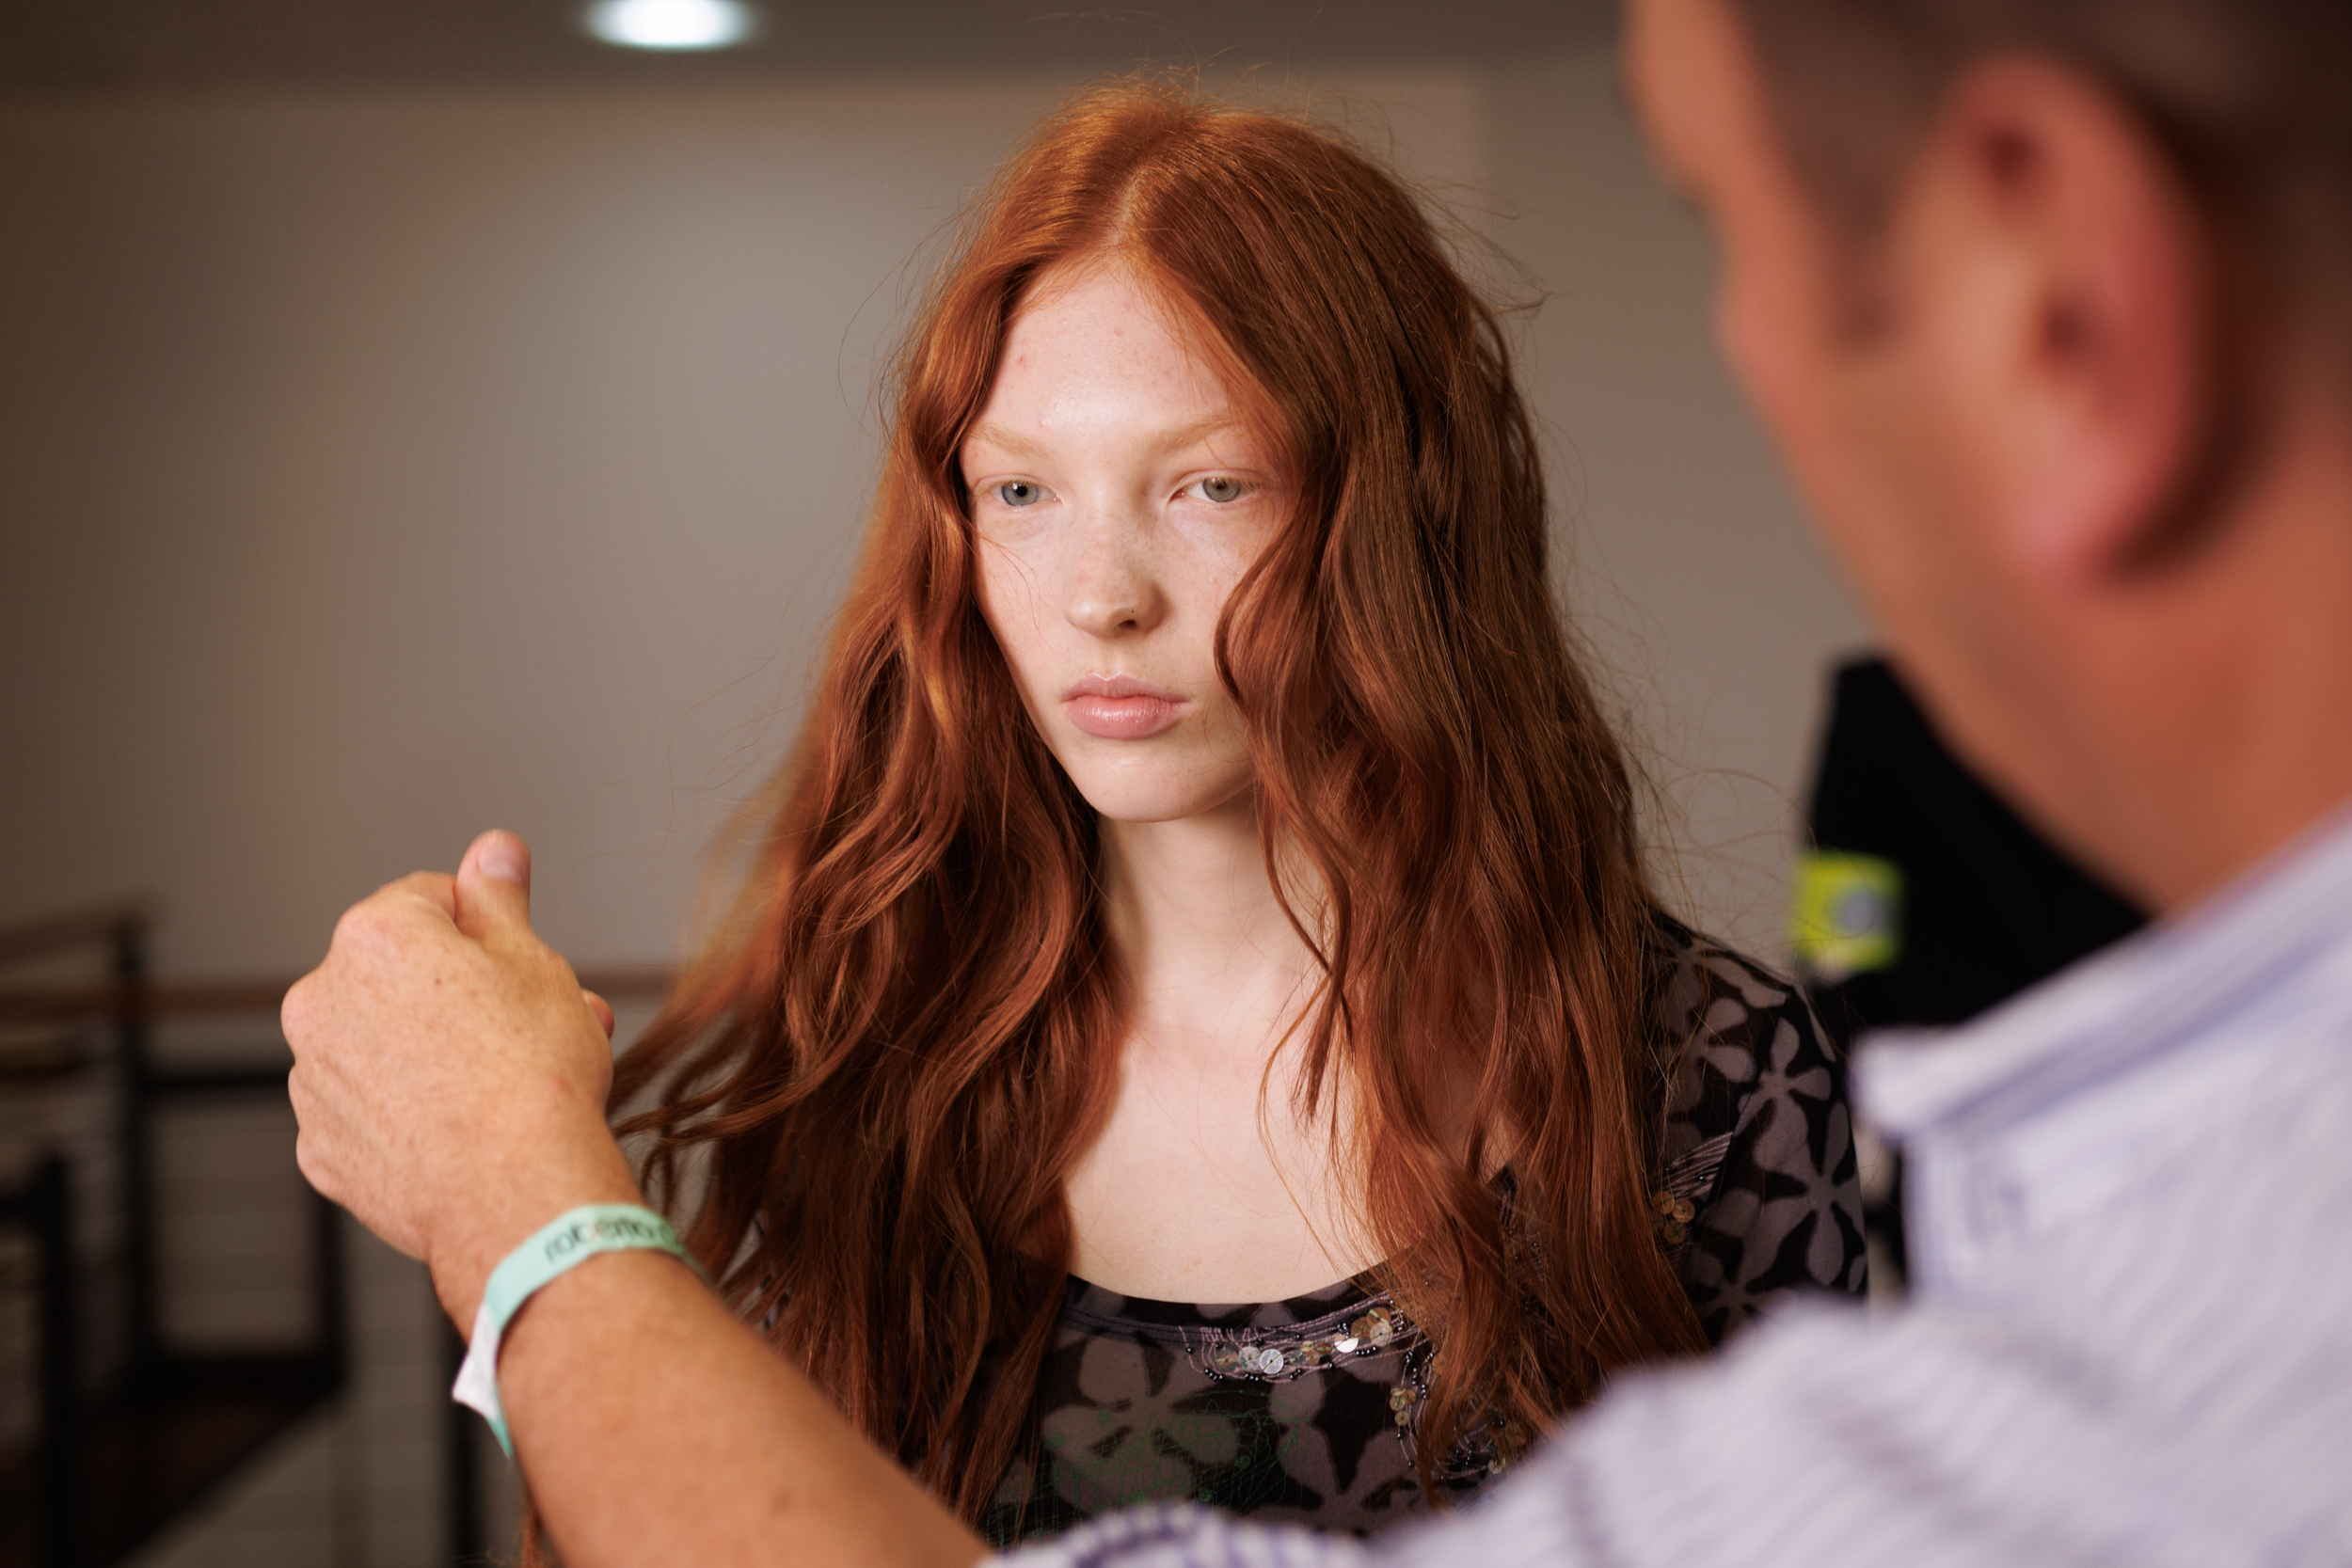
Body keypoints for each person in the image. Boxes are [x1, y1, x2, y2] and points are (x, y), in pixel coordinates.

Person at [283, 0, 2352, 1560]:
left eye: (1207, 486)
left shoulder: (1700, 1078)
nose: (1097, 595)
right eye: (1017, 491)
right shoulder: (841, 1068)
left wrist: (514, 1204)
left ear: (1390, 523)